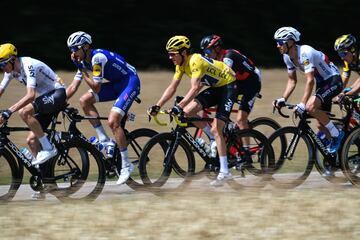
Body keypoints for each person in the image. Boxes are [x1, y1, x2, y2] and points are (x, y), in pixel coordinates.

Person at [147, 35, 238, 186]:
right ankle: (211, 138)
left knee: (217, 128)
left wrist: (178, 106)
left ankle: (225, 171)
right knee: (188, 112)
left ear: (183, 52)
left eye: (173, 53)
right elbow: (172, 87)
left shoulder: (195, 60)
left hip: (229, 86)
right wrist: (158, 105)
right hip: (216, 88)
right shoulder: (180, 65)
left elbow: (195, 88)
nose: (170, 57)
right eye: (169, 53)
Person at [65, 31, 141, 185]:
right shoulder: (83, 60)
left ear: (86, 47)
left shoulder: (96, 58)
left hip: (129, 82)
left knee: (113, 121)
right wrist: (59, 102)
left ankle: (126, 165)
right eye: (71, 50)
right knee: (84, 100)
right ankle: (105, 139)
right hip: (116, 83)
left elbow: (97, 87)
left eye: (75, 49)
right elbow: (73, 87)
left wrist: (81, 69)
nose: (73, 53)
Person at [272, 27, 344, 154]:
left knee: (310, 107)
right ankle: (337, 156)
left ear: (290, 42)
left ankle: (337, 135)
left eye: (280, 42)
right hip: (322, 83)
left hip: (333, 80)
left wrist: (302, 103)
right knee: (320, 124)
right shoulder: (287, 57)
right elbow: (292, 81)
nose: (277, 46)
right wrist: (283, 98)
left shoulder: (305, 52)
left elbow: (310, 80)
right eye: (277, 42)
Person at [0, 43, 67, 165]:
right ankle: (45, 177)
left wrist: (8, 111)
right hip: (45, 98)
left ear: (13, 59)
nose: (2, 68)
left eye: (3, 64)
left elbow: (31, 95)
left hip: (58, 93)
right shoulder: (10, 71)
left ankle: (49, 148)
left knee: (24, 112)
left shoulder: (28, 65)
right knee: (31, 140)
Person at [199, 34, 261, 164]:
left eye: (208, 51)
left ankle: (247, 153)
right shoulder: (216, 60)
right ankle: (229, 136)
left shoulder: (228, 56)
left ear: (217, 48)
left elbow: (227, 73)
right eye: (205, 52)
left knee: (241, 118)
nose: (207, 54)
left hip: (251, 84)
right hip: (236, 84)